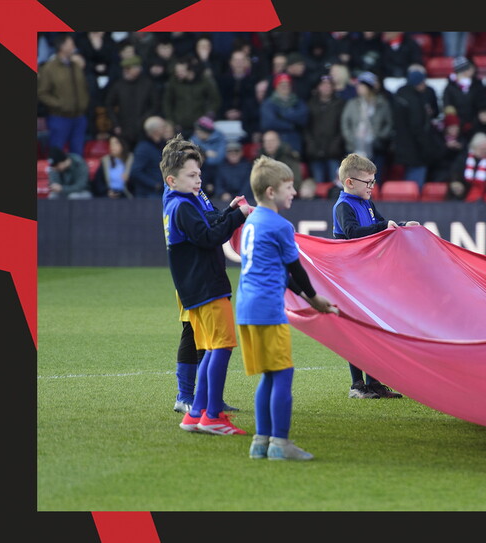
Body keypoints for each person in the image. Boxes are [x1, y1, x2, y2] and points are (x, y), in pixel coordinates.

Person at [237, 156, 339, 461]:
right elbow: (295, 269)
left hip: (246, 307)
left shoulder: (252, 221)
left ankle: (260, 442)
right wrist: (314, 298)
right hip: (267, 308)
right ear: (271, 192)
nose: (293, 192)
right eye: (289, 186)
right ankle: (280, 444)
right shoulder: (281, 225)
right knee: (282, 373)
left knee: (269, 374)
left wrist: (306, 297)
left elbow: (278, 272)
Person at [162, 135, 251, 435]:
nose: (198, 179)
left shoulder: (182, 200)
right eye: (192, 174)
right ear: (172, 179)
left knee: (212, 347)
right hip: (206, 287)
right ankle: (210, 413)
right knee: (221, 347)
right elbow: (210, 237)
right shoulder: (182, 205)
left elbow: (210, 224)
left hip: (197, 288)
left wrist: (229, 213)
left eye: (199, 173)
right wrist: (237, 216)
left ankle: (196, 412)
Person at [332, 153, 419, 399]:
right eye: (368, 182)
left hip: (369, 276)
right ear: (350, 182)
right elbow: (352, 233)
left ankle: (374, 383)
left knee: (373, 329)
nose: (372, 186)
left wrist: (402, 225)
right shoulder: (343, 206)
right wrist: (385, 226)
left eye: (373, 181)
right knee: (357, 331)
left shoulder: (367, 203)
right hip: (351, 278)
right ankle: (357, 385)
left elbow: (382, 223)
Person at [38, 33, 90, 156]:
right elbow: (42, 93)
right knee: (57, 152)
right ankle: (56, 176)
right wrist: (59, 104)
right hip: (59, 117)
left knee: (78, 154)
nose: (74, 46)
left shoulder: (76, 66)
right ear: (62, 47)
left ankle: (78, 175)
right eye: (71, 44)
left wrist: (84, 102)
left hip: (79, 116)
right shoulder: (49, 68)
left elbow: (84, 87)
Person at [392, 68, 443, 187]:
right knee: (415, 181)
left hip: (403, 146)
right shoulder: (415, 100)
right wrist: (427, 147)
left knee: (409, 177)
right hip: (416, 149)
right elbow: (417, 126)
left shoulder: (400, 95)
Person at [340, 71, 393, 180]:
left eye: (361, 85)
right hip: (355, 149)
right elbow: (345, 123)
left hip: (376, 148)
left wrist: (380, 136)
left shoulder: (382, 103)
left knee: (374, 180)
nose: (358, 88)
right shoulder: (352, 103)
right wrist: (351, 139)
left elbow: (389, 124)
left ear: (369, 87)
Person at [104, 54, 160, 148]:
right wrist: (116, 124)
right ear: (127, 69)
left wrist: (145, 119)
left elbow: (155, 105)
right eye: (135, 67)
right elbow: (109, 105)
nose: (138, 69)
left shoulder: (147, 84)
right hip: (124, 128)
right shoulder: (118, 86)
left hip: (143, 129)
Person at [163, 56, 222, 139]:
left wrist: (206, 118)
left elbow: (215, 100)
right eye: (177, 71)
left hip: (200, 127)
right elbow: (167, 102)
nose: (177, 73)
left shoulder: (205, 81)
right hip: (179, 126)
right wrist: (172, 121)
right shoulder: (173, 82)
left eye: (181, 71)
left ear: (190, 70)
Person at [303, 74, 346, 184]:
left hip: (334, 152)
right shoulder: (310, 104)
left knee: (335, 184)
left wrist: (336, 145)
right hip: (315, 151)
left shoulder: (340, 104)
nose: (326, 87)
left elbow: (342, 127)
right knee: (318, 184)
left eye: (329, 85)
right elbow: (306, 128)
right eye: (323, 85)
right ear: (318, 87)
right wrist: (311, 145)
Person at [260, 73, 309, 156]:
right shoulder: (268, 103)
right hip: (275, 145)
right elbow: (269, 122)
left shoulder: (298, 102)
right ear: (276, 86)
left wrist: (282, 115)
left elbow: (303, 118)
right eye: (281, 84)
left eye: (287, 84)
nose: (285, 87)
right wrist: (292, 125)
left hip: (294, 143)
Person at [442, 56, 486, 139]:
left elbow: (481, 103)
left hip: (476, 125)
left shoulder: (477, 85)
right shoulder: (450, 88)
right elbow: (448, 106)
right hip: (458, 128)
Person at [449, 131, 486, 203]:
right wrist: (455, 183)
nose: (485, 151)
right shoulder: (463, 159)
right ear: (474, 148)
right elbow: (455, 173)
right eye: (482, 149)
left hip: (484, 195)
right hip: (463, 194)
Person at [129, 116, 170, 198]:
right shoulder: (143, 148)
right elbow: (135, 171)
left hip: (162, 193)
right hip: (148, 196)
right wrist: (155, 185)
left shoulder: (163, 146)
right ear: (156, 131)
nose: (166, 129)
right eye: (163, 127)